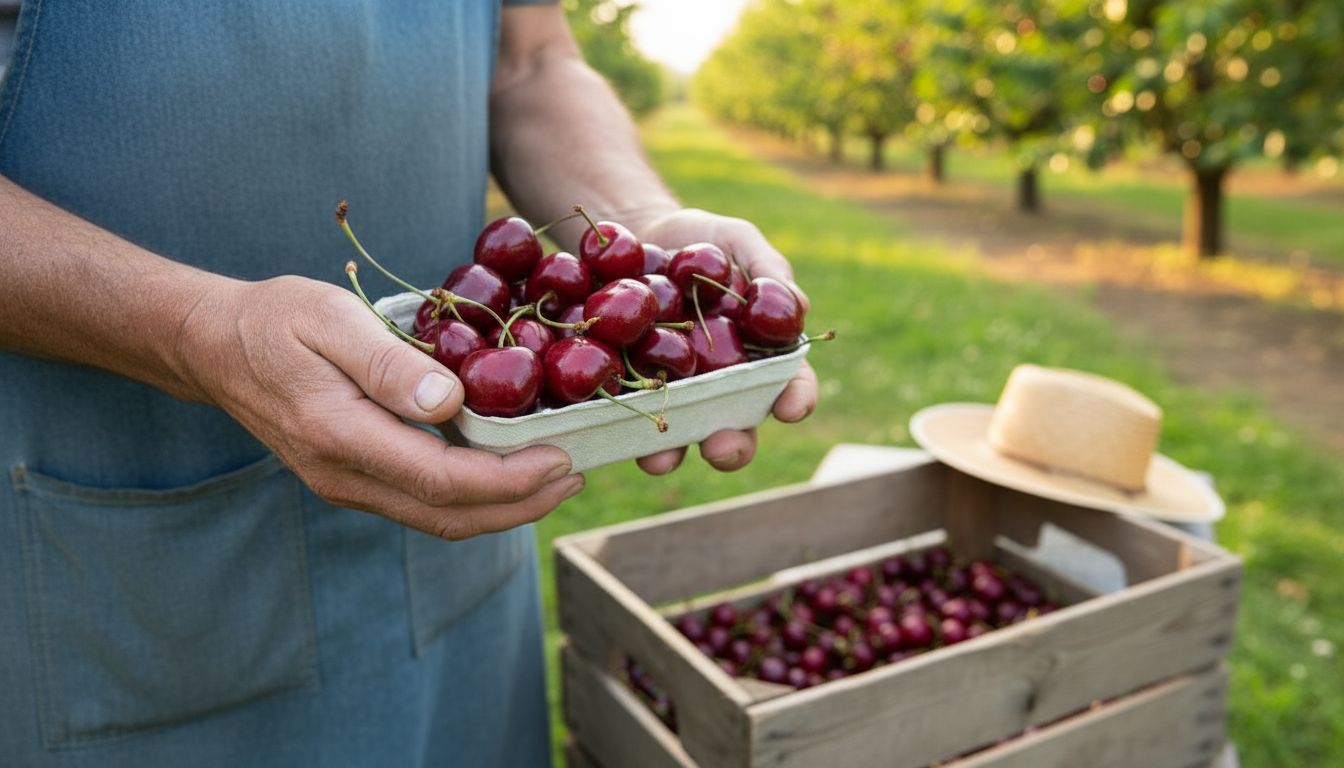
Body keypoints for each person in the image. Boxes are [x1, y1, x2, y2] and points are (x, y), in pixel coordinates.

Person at [0, 1, 818, 766]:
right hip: (126, 555)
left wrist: (636, 233)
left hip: (471, 491)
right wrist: (193, 330)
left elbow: (529, 60)